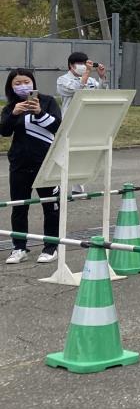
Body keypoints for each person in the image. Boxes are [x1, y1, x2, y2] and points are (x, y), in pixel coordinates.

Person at [1, 69, 62, 264]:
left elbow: (58, 126)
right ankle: (19, 248)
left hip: (46, 163)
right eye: (17, 83)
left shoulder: (47, 101)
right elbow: (4, 131)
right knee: (19, 207)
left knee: (51, 206)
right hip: (19, 164)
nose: (22, 86)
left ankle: (51, 247)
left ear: (33, 83)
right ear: (11, 87)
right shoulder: (10, 107)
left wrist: (39, 112)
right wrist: (14, 114)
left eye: (26, 81)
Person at [56, 52, 107, 194]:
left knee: (81, 156)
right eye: (80, 64)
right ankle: (57, 187)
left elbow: (101, 93)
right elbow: (74, 90)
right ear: (71, 65)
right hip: (69, 121)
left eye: (85, 64)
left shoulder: (91, 80)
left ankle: (78, 188)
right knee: (64, 155)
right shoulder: (63, 80)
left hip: (86, 120)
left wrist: (102, 77)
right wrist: (86, 75)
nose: (84, 67)